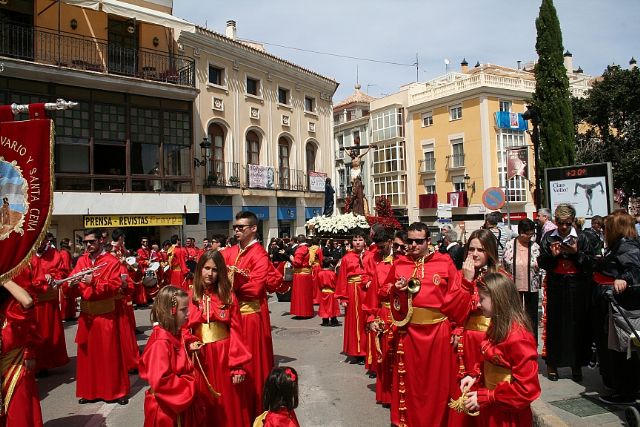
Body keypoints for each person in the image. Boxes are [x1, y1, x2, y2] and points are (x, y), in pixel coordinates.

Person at [386, 222, 460, 427]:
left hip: (439, 331)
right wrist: (397, 290)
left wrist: (458, 327)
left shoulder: (444, 262)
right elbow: (386, 295)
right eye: (410, 241)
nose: (413, 245)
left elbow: (457, 296)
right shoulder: (399, 264)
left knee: (437, 384)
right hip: (409, 331)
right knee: (412, 383)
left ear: (429, 241)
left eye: (419, 241)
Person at [442, 229, 504, 427]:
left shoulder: (500, 277)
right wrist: (466, 282)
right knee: (462, 391)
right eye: (471, 249)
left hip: (490, 340)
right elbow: (453, 311)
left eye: (481, 250)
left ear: (490, 252)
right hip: (464, 342)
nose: (475, 254)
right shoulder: (461, 275)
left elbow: (505, 312)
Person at [460, 273, 541, 426]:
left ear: (498, 300)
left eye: (482, 299)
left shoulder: (518, 337)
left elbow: (528, 389)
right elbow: (489, 361)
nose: (478, 304)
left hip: (508, 415)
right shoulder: (496, 325)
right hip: (492, 409)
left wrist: (490, 396)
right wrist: (475, 375)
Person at [222, 211, 280, 419]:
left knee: (251, 365)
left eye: (241, 227)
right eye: (235, 227)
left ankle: (254, 409)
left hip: (249, 317)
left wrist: (231, 287)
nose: (236, 230)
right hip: (229, 317)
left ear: (253, 228)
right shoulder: (228, 253)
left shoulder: (259, 255)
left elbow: (255, 289)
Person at [187, 250, 252, 427]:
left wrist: (237, 367)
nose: (210, 273)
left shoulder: (228, 296)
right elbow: (183, 328)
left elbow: (238, 332)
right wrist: (188, 340)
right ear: (199, 269)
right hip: (201, 358)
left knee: (227, 403)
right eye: (206, 268)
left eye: (215, 270)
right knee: (204, 403)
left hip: (224, 355)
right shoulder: (191, 296)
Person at [67, 228, 130, 404]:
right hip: (87, 315)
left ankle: (117, 392)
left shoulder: (111, 261)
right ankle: (90, 392)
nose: (88, 245)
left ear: (100, 241)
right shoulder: (81, 260)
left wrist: (94, 281)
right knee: (88, 356)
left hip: (105, 314)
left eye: (91, 241)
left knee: (110, 355)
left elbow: (115, 285)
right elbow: (73, 279)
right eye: (85, 242)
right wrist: (70, 284)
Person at [538, 203, 594, 382]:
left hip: (577, 285)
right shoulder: (548, 237)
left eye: (567, 223)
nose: (563, 227)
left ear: (572, 222)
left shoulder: (582, 237)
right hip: (556, 285)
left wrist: (576, 253)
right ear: (555, 221)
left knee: (577, 324)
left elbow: (591, 263)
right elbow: (542, 262)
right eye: (560, 223)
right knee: (555, 325)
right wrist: (552, 257)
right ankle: (552, 364)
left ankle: (576, 364)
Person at [592, 209, 640, 405]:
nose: (605, 231)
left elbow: (635, 270)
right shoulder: (621, 245)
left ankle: (627, 391)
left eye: (608, 227)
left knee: (626, 349)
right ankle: (624, 388)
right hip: (619, 306)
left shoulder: (626, 246)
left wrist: (623, 279)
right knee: (624, 349)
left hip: (625, 308)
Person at [139, 286, 197, 426]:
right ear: (171, 312)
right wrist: (190, 385)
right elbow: (161, 381)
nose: (188, 313)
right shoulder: (161, 343)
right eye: (183, 310)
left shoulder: (174, 334)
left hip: (174, 406)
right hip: (166, 409)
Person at [0, 269, 43, 427]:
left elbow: (27, 301)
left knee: (18, 414)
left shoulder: (12, 308)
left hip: (14, 366)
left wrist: (3, 278)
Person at [335, 229, 376, 365]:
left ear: (365, 241)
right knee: (354, 322)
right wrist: (343, 298)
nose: (357, 243)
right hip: (352, 291)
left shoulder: (371, 256)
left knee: (367, 319)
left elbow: (375, 274)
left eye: (360, 240)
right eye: (355, 240)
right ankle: (356, 352)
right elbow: (342, 279)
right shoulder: (346, 258)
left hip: (366, 291)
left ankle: (367, 351)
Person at [30, 233, 70, 373]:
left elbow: (63, 272)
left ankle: (44, 364)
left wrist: (52, 276)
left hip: (47, 301)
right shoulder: (28, 254)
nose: (40, 243)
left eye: (43, 240)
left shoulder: (55, 254)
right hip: (31, 302)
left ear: (47, 240)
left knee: (48, 334)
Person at [501, 218, 542, 340]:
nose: (529, 236)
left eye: (531, 234)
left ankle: (531, 341)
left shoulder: (535, 246)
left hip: (532, 286)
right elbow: (504, 264)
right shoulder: (509, 245)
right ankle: (513, 340)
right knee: (514, 315)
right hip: (513, 287)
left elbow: (540, 264)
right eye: (527, 234)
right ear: (520, 232)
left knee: (531, 316)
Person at [289, 235, 314, 318]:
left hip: (300, 274)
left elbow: (297, 263)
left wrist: (292, 258)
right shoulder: (309, 248)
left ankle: (301, 313)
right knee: (307, 294)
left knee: (300, 294)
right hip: (307, 273)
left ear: (298, 242)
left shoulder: (300, 250)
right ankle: (308, 312)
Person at [317, 258, 340, 327]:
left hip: (324, 291)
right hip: (332, 292)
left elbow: (319, 284)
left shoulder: (319, 274)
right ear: (330, 264)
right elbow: (336, 283)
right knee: (332, 306)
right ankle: (333, 320)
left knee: (324, 306)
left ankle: (325, 320)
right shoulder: (332, 274)